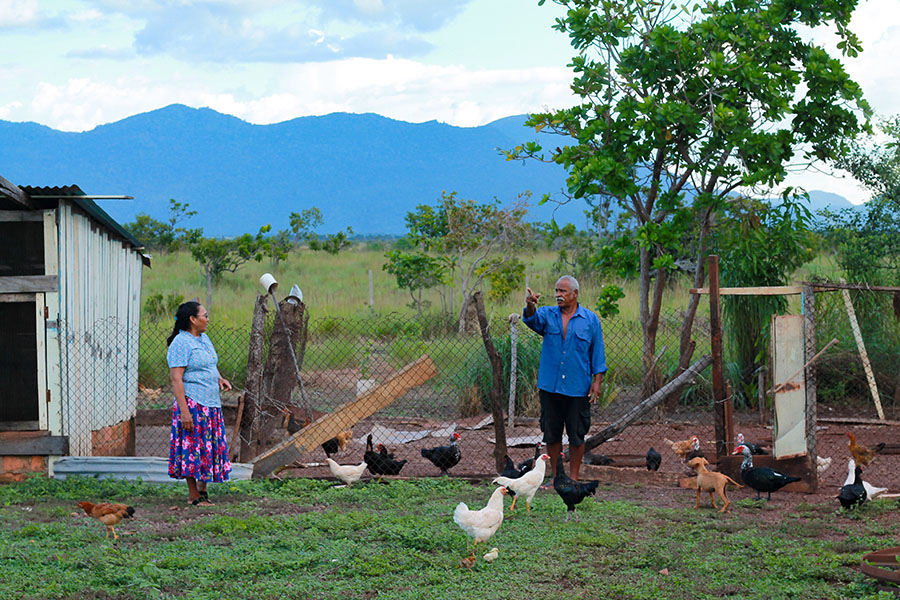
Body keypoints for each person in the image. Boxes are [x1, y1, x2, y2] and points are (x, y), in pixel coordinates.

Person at [522, 275, 607, 482]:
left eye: (563, 291)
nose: (558, 295)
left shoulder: (590, 320)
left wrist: (597, 382)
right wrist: (530, 305)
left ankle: (574, 477)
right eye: (557, 291)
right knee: (551, 434)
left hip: (578, 387)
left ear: (575, 294)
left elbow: (597, 353)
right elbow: (531, 320)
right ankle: (557, 477)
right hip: (550, 386)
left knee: (577, 434)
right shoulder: (547, 315)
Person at [167, 301, 232, 505]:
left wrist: (219, 378)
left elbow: (209, 363)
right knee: (193, 447)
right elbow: (176, 378)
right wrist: (185, 412)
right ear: (193, 320)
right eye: (204, 315)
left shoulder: (204, 339)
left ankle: (203, 491)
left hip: (211, 404)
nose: (207, 319)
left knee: (207, 447)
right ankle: (193, 494)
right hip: (193, 403)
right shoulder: (181, 343)